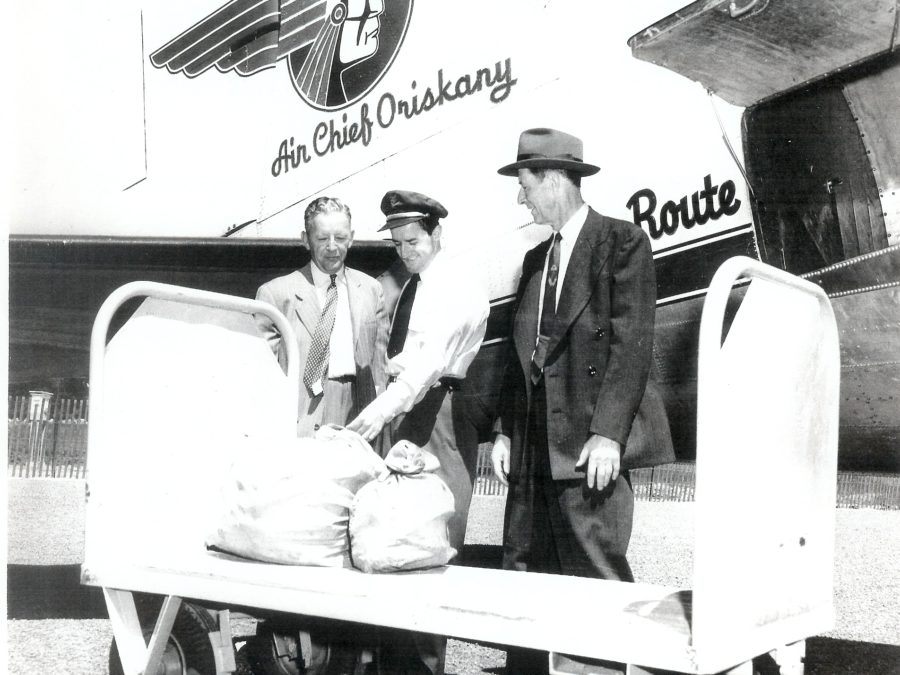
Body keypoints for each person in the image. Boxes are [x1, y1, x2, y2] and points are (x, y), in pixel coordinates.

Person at [491, 128, 674, 674]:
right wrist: (505, 431)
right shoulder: (534, 261)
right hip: (532, 452)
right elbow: (520, 355)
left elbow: (631, 345)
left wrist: (609, 434)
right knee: (524, 578)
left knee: (593, 577)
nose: (520, 197)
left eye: (525, 185)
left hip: (585, 447)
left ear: (553, 179)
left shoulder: (622, 243)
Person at [347, 189, 489, 675]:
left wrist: (379, 412)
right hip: (408, 411)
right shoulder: (416, 284)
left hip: (437, 412)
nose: (405, 252)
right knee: (393, 540)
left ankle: (423, 668)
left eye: (414, 241)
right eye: (398, 244)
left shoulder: (457, 286)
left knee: (430, 545)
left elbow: (428, 364)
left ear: (437, 233)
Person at [255, 196, 388, 436]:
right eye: (322, 238)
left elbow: (380, 364)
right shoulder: (275, 294)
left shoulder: (371, 290)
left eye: (340, 237)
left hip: (359, 412)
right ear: (305, 240)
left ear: (352, 238)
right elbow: (263, 373)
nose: (332, 247)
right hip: (303, 414)